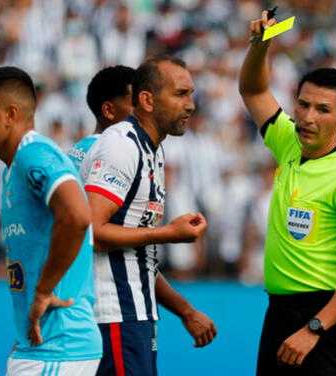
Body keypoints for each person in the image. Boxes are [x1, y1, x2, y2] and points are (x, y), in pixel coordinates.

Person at [239, 11, 336, 376]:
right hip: (279, 314)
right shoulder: (290, 142)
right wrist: (261, 46)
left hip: (324, 320)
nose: (308, 117)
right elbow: (254, 90)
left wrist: (314, 328)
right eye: (303, 105)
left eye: (323, 110)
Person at [80, 55, 217, 376]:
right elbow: (93, 232)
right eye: (180, 94)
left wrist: (184, 310)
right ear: (147, 100)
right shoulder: (121, 146)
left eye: (191, 94)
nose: (191, 105)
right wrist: (168, 234)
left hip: (136, 313)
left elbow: (135, 251)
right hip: (113, 313)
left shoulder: (152, 148)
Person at [0, 66, 102, 375]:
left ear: (10, 114)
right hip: (40, 348)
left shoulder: (34, 155)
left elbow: (78, 215)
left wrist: (43, 291)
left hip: (58, 348)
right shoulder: (12, 168)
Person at [67, 65, 135, 171]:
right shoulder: (112, 154)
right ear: (108, 110)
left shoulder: (78, 148)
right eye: (135, 104)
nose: (143, 111)